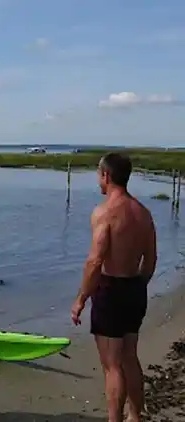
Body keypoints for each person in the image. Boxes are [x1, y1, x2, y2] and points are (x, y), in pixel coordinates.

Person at [71, 153, 157, 422]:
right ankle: (135, 416)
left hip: (110, 290)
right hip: (135, 288)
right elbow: (151, 260)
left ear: (106, 176)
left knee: (112, 365)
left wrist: (81, 299)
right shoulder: (143, 213)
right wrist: (139, 283)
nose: (99, 180)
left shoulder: (104, 213)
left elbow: (95, 260)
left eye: (99, 175)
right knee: (130, 356)